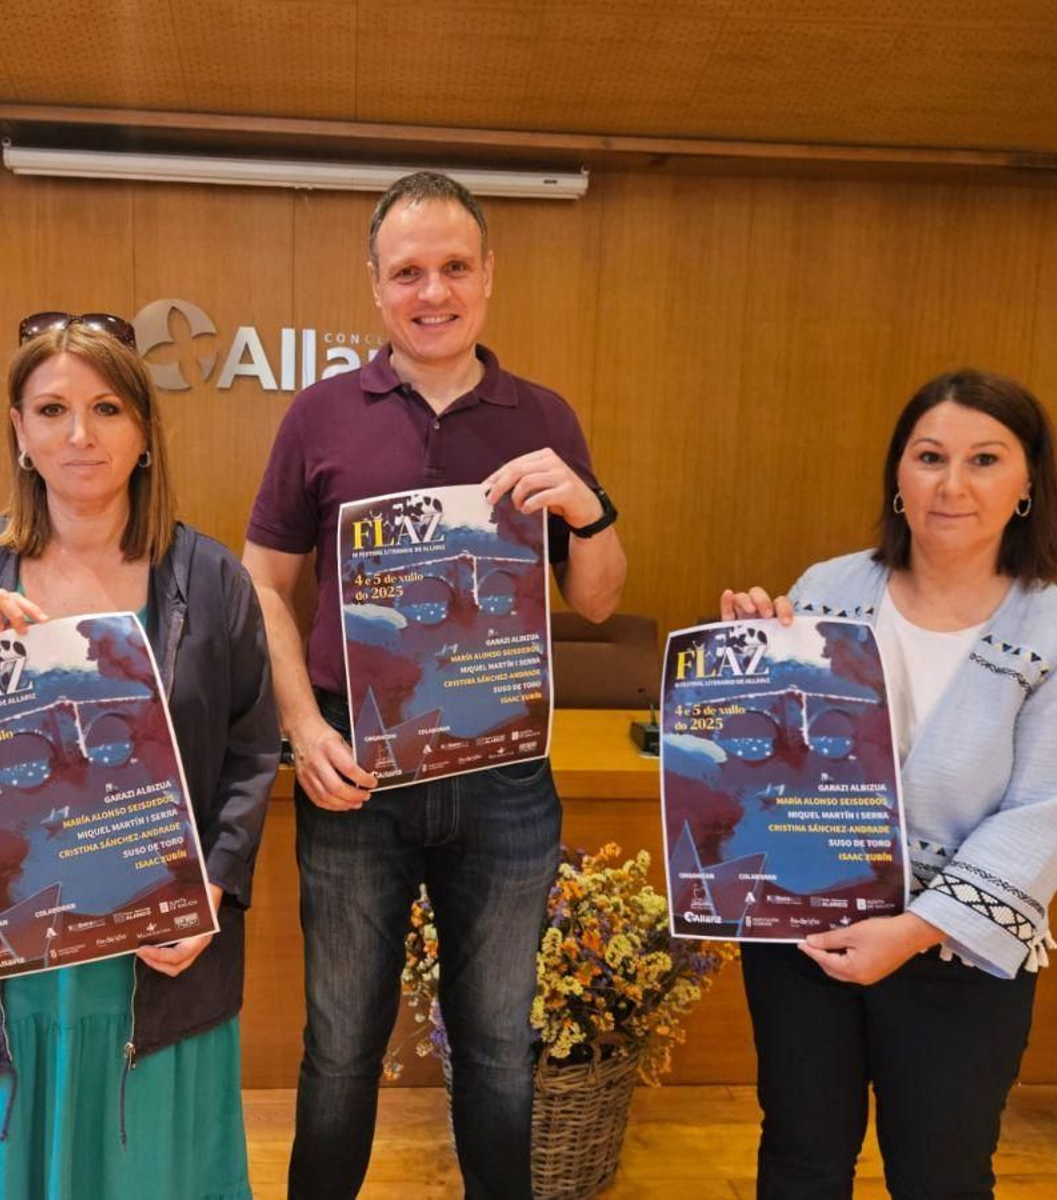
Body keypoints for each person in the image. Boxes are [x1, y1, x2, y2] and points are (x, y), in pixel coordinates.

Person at [242, 171, 627, 1199]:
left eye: (454, 267)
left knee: (500, 1043)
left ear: (488, 277)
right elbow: (265, 583)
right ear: (374, 286)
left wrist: (589, 513)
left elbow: (594, 600)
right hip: (351, 764)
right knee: (339, 1045)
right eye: (407, 271)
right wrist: (297, 726)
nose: (432, 291)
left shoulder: (542, 415)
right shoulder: (319, 415)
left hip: (502, 771)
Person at [0, 312, 279, 1199]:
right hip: (8, 964)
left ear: (145, 432)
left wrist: (214, 886)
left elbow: (249, 747)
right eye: (51, 409)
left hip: (154, 964)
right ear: (19, 430)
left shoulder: (209, 579)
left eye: (107, 408)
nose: (80, 435)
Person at [720, 368, 1057, 1199]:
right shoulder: (827, 590)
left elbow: (1042, 812)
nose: (952, 484)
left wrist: (912, 929)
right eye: (930, 456)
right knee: (799, 1159)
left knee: (942, 1174)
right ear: (898, 476)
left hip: (954, 957)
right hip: (808, 932)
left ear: (1027, 485)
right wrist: (745, 667)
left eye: (984, 460)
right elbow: (772, 760)